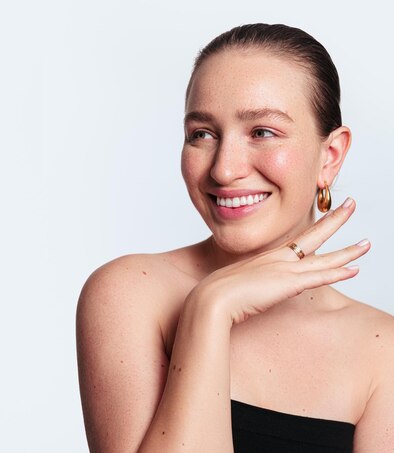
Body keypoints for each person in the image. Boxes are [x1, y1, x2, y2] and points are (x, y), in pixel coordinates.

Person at [76, 23, 394, 452]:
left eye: (263, 132)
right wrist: (210, 309)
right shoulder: (130, 293)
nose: (224, 170)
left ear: (330, 156)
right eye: (202, 134)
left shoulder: (382, 352)